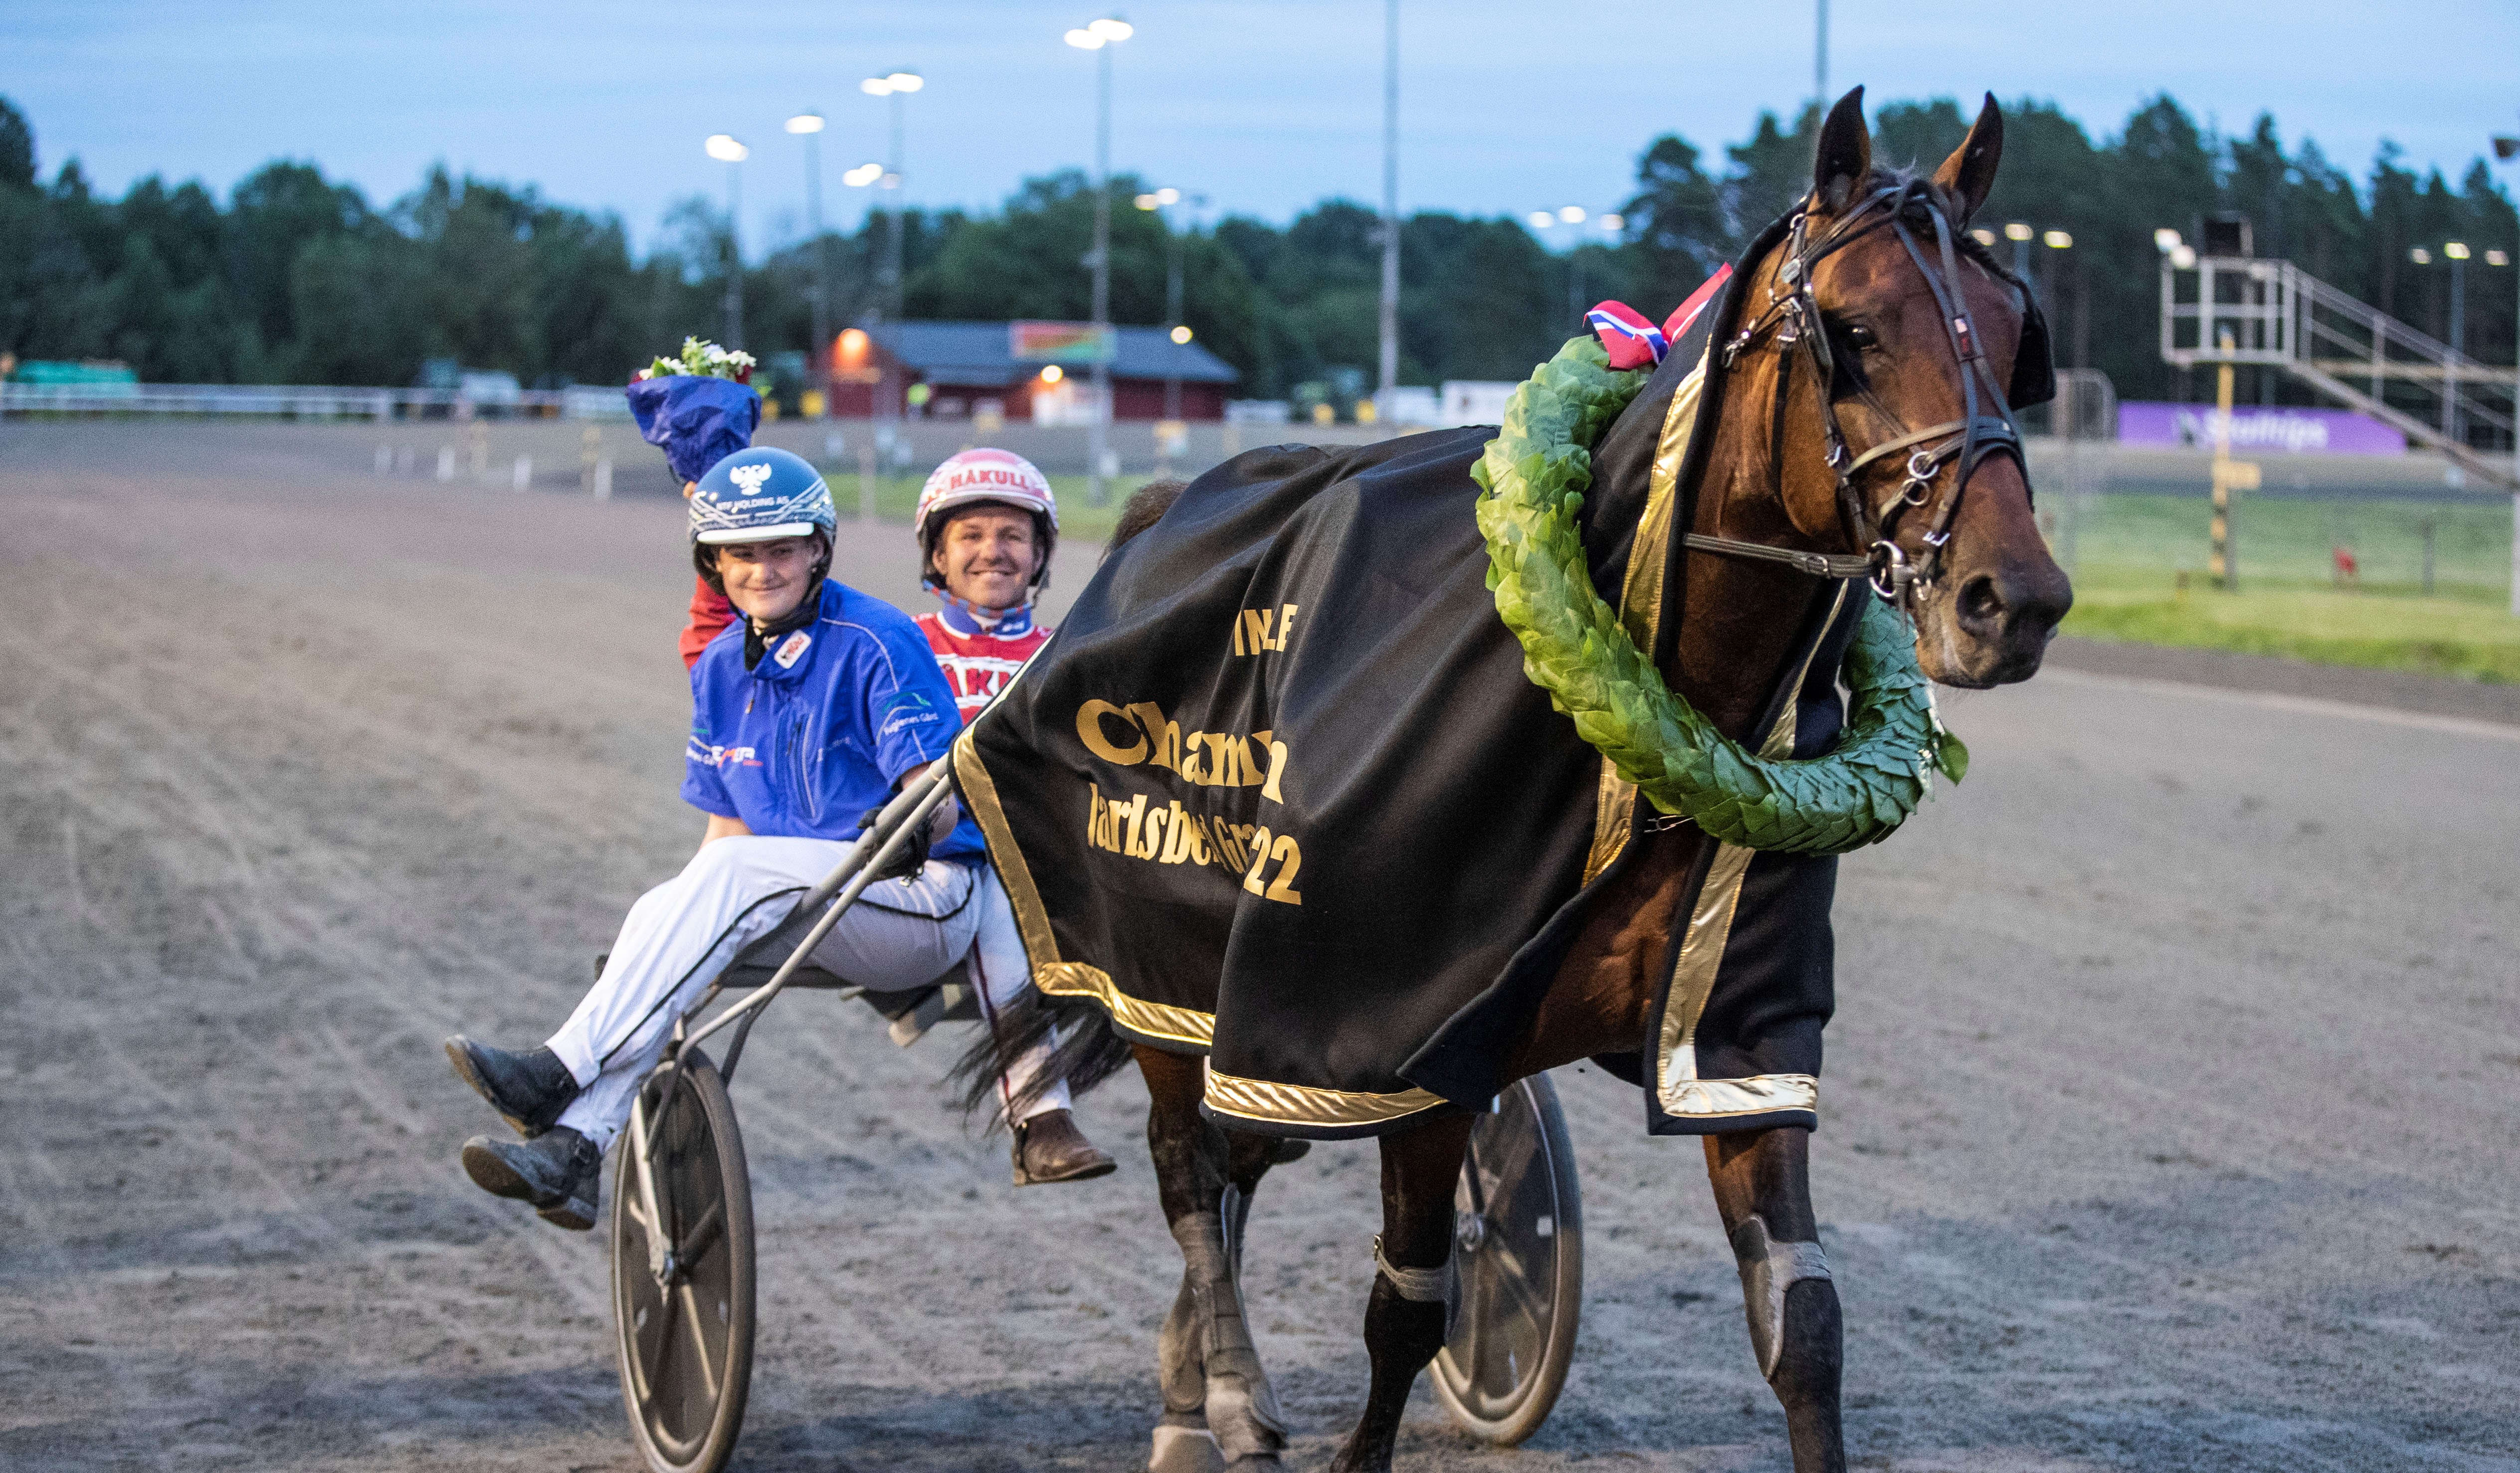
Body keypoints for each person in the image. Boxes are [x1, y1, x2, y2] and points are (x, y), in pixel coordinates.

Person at [445, 447, 1114, 1232]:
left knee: (728, 878)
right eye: (742, 553)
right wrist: (667, 946)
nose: (763, 569)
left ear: (818, 550)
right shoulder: (719, 667)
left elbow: (933, 802)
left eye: (782, 550)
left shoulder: (880, 638)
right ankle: (575, 1147)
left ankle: (560, 1065)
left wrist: (907, 829)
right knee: (659, 909)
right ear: (714, 564)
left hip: (926, 894)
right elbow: (726, 832)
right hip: (814, 898)